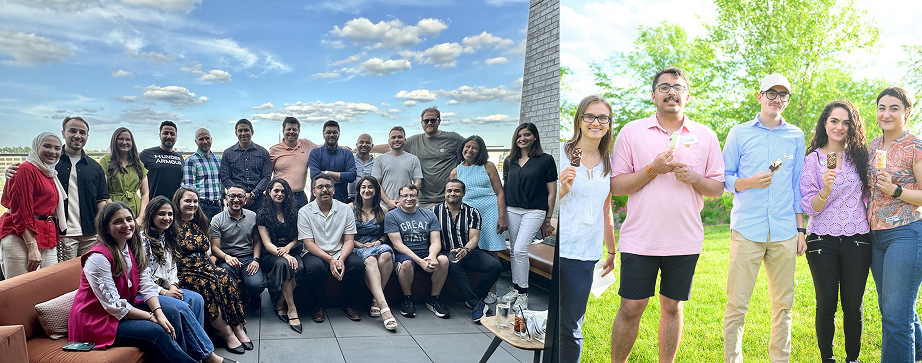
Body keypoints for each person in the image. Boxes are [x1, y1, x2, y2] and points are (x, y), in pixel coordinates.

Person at [609, 67, 726, 362]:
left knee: (672, 306)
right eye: (664, 87)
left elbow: (717, 188)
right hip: (640, 237)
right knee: (631, 307)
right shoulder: (632, 131)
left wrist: (694, 178)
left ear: (687, 95)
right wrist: (652, 170)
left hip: (684, 238)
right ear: (653, 96)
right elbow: (616, 184)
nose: (671, 92)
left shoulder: (706, 135)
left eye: (677, 87)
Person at [67, 202, 231, 363]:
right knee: (157, 331)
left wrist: (159, 313)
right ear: (106, 228)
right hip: (97, 321)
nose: (126, 225)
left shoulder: (131, 248)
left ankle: (196, 356)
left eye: (129, 219)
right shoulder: (98, 258)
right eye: (117, 222)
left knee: (172, 312)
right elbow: (113, 306)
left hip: (124, 308)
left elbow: (145, 284)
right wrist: (151, 317)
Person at [722, 73, 807, 363]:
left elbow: (796, 186)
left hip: (784, 231)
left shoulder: (796, 135)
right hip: (747, 229)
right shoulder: (739, 133)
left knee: (784, 306)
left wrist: (800, 230)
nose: (777, 100)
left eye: (783, 95)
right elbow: (724, 178)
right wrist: (750, 182)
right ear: (759, 97)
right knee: (737, 305)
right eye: (772, 93)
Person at [799, 100, 871, 363]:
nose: (839, 127)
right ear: (825, 124)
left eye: (846, 122)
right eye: (834, 121)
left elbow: (869, 195)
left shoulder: (861, 157)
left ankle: (853, 359)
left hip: (857, 240)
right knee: (826, 305)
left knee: (853, 306)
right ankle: (827, 359)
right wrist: (824, 191)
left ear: (852, 127)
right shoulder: (813, 160)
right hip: (821, 241)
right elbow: (810, 207)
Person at [556, 95, 617, 362]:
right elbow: (540, 204)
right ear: (579, 120)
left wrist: (612, 251)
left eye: (603, 117)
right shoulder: (560, 153)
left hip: (584, 254)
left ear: (608, 124)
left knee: (571, 326)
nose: (596, 122)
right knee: (550, 322)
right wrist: (562, 190)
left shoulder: (610, 162)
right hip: (558, 249)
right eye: (589, 116)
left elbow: (606, 210)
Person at [139, 196, 231, 362]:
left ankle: (194, 351)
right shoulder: (141, 240)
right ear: (151, 215)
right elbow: (141, 275)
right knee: (180, 307)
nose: (166, 218)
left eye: (169, 214)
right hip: (149, 291)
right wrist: (164, 291)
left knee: (196, 299)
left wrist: (173, 285)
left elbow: (172, 267)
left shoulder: (167, 236)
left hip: (167, 287)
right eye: (161, 214)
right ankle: (210, 356)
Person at [866, 86, 922, 361]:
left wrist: (896, 191)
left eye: (894, 108)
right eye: (882, 108)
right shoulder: (873, 145)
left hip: (906, 233)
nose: (886, 114)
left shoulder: (916, 146)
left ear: (907, 112)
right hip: (875, 237)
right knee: (894, 307)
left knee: (895, 315)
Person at [4, 117, 110, 261]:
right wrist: (10, 172)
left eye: (82, 132)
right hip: (62, 234)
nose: (77, 135)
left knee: (90, 275)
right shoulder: (50, 163)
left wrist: (103, 230)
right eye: (72, 131)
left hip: (90, 234)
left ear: (87, 136)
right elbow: (27, 178)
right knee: (64, 280)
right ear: (63, 132)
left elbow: (101, 201)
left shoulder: (94, 167)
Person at [173, 187, 252, 354]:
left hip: (204, 264)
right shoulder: (171, 224)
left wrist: (212, 264)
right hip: (185, 270)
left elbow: (208, 249)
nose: (192, 204)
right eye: (187, 201)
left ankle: (237, 326)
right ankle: (227, 333)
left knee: (224, 276)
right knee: (206, 285)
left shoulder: (200, 221)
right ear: (178, 202)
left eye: (195, 201)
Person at [501, 122, 557, 307]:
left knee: (519, 249)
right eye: (519, 136)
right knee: (515, 252)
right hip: (512, 210)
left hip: (535, 211)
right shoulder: (510, 161)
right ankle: (516, 288)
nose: (522, 138)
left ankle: (523, 293)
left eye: (526, 135)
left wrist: (547, 219)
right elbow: (505, 187)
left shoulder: (546, 160)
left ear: (535, 137)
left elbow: (552, 192)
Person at [432, 179, 502, 323]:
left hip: (468, 251)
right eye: (449, 191)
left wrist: (465, 249)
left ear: (463, 193)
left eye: (457, 191)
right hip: (444, 251)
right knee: (452, 262)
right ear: (444, 193)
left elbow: (474, 237)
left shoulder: (472, 212)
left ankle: (474, 298)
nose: (453, 193)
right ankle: (476, 304)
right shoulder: (434, 211)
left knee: (495, 266)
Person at [298, 174, 365, 323]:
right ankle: (318, 306)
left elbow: (349, 240)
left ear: (334, 190)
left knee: (357, 265)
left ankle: (348, 304)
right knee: (314, 268)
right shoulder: (304, 211)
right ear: (313, 191)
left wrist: (340, 259)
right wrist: (330, 259)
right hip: (314, 252)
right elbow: (308, 243)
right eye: (320, 187)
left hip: (340, 250)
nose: (324, 190)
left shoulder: (345, 209)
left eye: (328, 186)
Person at [449, 134, 506, 303]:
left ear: (480, 150)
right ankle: (473, 288)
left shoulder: (488, 166)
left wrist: (502, 216)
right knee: (470, 249)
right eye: (467, 147)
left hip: (490, 213)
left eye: (475, 147)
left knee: (491, 250)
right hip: (468, 216)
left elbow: (500, 192)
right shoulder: (456, 171)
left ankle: (492, 291)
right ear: (462, 149)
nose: (470, 150)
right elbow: (452, 195)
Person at [0, 132, 65, 278]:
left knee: (48, 286)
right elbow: (20, 210)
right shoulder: (25, 169)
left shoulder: (49, 173)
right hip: (20, 236)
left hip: (46, 234)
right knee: (21, 289)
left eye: (57, 148)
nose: (52, 152)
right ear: (36, 147)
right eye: (47, 146)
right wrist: (32, 246)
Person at [384, 183, 451, 319]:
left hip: (425, 251)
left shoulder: (429, 214)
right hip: (404, 253)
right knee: (407, 264)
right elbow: (398, 245)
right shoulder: (392, 216)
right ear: (399, 198)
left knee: (443, 260)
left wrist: (432, 256)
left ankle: (434, 299)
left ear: (417, 197)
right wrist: (420, 261)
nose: (409, 198)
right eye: (405, 195)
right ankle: (407, 298)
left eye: (412, 195)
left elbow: (435, 241)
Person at [256, 178, 304, 333]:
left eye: (283, 191)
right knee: (285, 264)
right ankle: (291, 308)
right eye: (276, 190)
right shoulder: (262, 213)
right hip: (270, 254)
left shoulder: (292, 212)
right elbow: (267, 243)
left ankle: (279, 302)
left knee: (300, 268)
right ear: (269, 192)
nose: (279, 194)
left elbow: (298, 237)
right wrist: (283, 255)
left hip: (291, 250)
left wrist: (288, 249)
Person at [351, 175, 397, 330]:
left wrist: (379, 242)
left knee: (386, 254)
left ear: (376, 190)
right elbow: (344, 234)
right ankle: (384, 308)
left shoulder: (382, 209)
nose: (367, 190)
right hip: (356, 246)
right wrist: (358, 244)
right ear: (359, 190)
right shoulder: (350, 208)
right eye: (363, 187)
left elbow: (385, 234)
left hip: (376, 244)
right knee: (370, 260)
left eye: (370, 187)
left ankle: (375, 300)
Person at [210, 185, 266, 311]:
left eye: (240, 196)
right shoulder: (217, 219)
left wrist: (256, 260)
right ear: (226, 198)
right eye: (232, 196)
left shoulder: (253, 216)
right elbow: (214, 248)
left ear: (245, 200)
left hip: (248, 258)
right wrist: (227, 257)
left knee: (257, 284)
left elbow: (257, 241)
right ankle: (233, 305)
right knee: (227, 282)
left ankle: (254, 294)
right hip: (226, 258)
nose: (236, 200)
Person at [403, 107, 466, 208]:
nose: (429, 123)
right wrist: (370, 147)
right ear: (421, 122)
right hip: (423, 200)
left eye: (433, 120)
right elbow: (392, 146)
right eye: (426, 121)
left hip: (448, 198)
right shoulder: (414, 141)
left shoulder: (453, 138)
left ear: (439, 121)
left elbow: (472, 147)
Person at [220, 119, 272, 212]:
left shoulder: (263, 152)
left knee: (259, 226)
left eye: (246, 130)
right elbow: (225, 177)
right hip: (235, 201)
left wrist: (252, 194)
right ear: (236, 133)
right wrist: (240, 194)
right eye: (240, 130)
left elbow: (266, 177)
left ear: (252, 132)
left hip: (258, 200)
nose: (243, 133)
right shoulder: (228, 153)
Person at [269, 117, 320, 208]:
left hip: (300, 197)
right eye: (288, 129)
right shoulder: (274, 150)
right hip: (281, 196)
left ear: (299, 131)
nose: (291, 132)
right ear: (283, 130)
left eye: (294, 129)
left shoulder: (306, 144)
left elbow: (323, 148)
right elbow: (267, 174)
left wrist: (344, 148)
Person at [99, 127, 149, 218]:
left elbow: (145, 193)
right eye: (120, 139)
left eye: (128, 139)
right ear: (114, 141)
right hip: (112, 209)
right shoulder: (105, 161)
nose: (124, 142)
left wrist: (141, 217)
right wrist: (114, 209)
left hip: (135, 210)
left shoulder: (138, 164)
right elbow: (103, 191)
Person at [372, 126, 422, 209]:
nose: (396, 140)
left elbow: (418, 182)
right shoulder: (380, 160)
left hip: (406, 206)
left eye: (400, 137)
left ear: (405, 140)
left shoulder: (413, 159)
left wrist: (407, 197)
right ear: (389, 141)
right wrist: (388, 202)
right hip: (384, 207)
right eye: (393, 137)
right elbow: (376, 184)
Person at [308, 120, 357, 204]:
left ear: (339, 134)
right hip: (318, 204)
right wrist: (341, 178)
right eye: (328, 132)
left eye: (334, 132)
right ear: (323, 134)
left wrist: (326, 173)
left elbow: (351, 176)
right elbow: (315, 176)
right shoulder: (315, 153)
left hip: (341, 201)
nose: (331, 135)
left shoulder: (347, 154)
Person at [183, 128, 223, 219]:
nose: (205, 141)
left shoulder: (218, 160)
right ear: (196, 141)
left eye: (207, 138)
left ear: (211, 139)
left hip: (217, 205)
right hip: (201, 206)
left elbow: (221, 183)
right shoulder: (191, 160)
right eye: (201, 139)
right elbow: (189, 187)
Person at [140, 121, 184, 201]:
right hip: (153, 203)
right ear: (160, 135)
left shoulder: (179, 157)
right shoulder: (146, 154)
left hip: (174, 205)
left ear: (176, 136)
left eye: (172, 134)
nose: (169, 136)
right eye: (165, 133)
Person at [348, 134, 375, 203]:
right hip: (351, 198)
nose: (364, 145)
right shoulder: (350, 160)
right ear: (356, 145)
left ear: (372, 146)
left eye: (368, 142)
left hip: (370, 198)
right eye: (361, 142)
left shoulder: (376, 163)